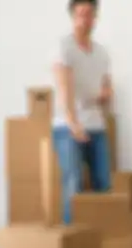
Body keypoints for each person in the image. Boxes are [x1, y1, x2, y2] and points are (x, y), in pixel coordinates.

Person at [52, 0, 113, 225]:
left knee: (103, 183)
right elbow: (64, 86)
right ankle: (72, 242)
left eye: (89, 14)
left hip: (96, 125)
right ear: (72, 17)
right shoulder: (64, 47)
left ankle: (102, 241)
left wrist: (106, 94)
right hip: (68, 127)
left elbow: (106, 86)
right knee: (73, 183)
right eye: (80, 14)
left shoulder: (102, 52)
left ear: (95, 17)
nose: (84, 19)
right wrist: (72, 122)